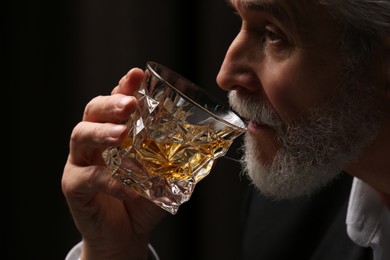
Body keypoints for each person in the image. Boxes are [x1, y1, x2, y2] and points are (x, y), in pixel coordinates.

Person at [61, 0, 390, 259]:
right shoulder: (282, 218)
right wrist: (114, 253)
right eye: (241, 21)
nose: (225, 75)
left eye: (273, 34)